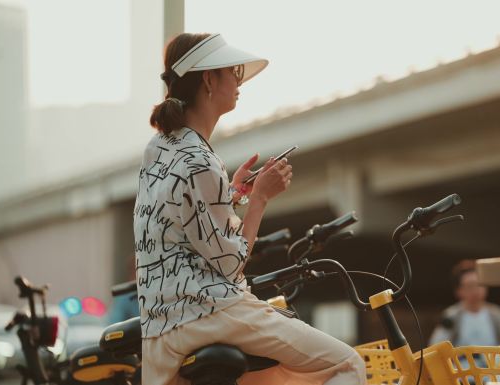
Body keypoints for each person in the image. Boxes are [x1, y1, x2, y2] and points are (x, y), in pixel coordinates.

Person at [134, 33, 366, 385]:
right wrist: (259, 199)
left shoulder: (160, 146)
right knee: (347, 364)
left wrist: (232, 193)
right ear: (209, 80)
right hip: (210, 312)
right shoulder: (201, 160)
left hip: (160, 328)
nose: (239, 82)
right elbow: (229, 263)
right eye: (234, 72)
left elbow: (179, 219)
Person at [429, 259, 500, 347]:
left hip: (495, 361)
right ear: (458, 290)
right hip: (462, 361)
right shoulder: (451, 315)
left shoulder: (496, 313)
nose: (475, 291)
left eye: (479, 285)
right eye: (469, 286)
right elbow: (436, 345)